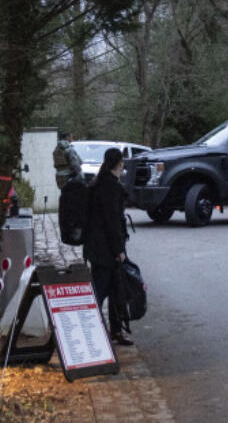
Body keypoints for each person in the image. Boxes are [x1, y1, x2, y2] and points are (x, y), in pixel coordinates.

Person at [83, 146, 133, 346]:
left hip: (96, 247)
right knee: (102, 290)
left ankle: (115, 331)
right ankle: (91, 329)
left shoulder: (98, 183)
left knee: (114, 288)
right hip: (106, 249)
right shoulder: (111, 187)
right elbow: (112, 222)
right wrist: (118, 250)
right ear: (119, 163)